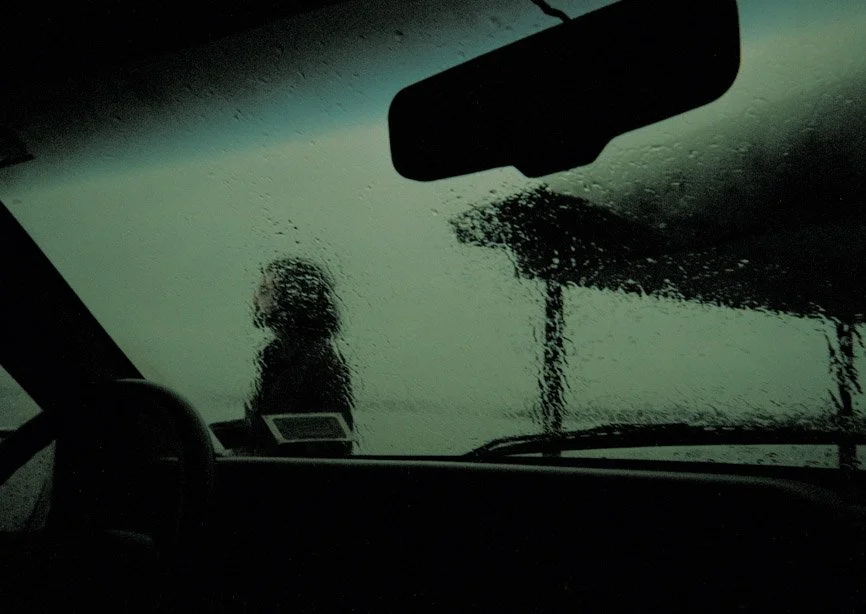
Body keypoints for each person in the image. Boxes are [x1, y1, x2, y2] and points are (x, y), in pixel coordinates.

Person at [243, 257, 354, 454]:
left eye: (265, 291)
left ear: (290, 298)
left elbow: (325, 441)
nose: (255, 298)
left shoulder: (312, 359)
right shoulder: (281, 355)